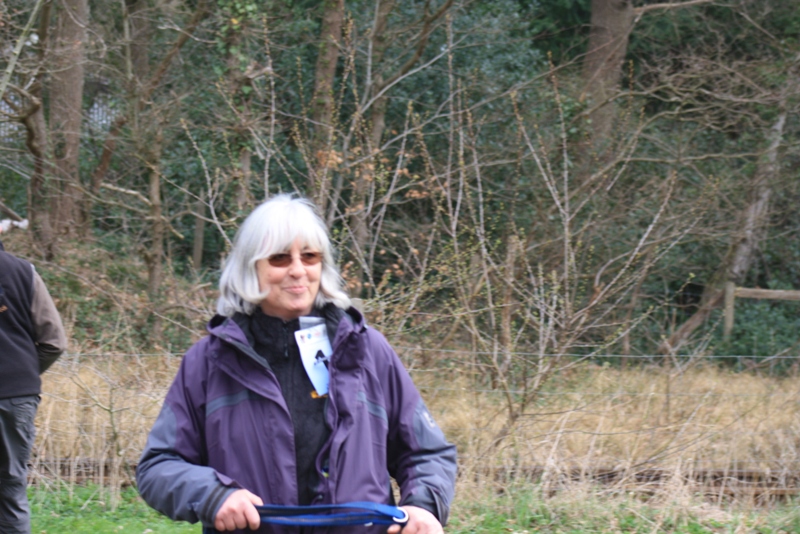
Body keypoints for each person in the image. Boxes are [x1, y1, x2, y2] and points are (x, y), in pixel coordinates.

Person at [137, 194, 457, 534]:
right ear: (250, 268)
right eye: (279, 258)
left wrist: (423, 506)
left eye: (309, 256)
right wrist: (212, 495)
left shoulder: (367, 351)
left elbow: (427, 453)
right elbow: (158, 466)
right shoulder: (208, 362)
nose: (298, 270)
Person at [0, 238, 67, 533]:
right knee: (11, 488)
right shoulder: (24, 272)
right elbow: (54, 342)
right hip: (17, 397)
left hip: (17, 391)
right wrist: (22, 374)